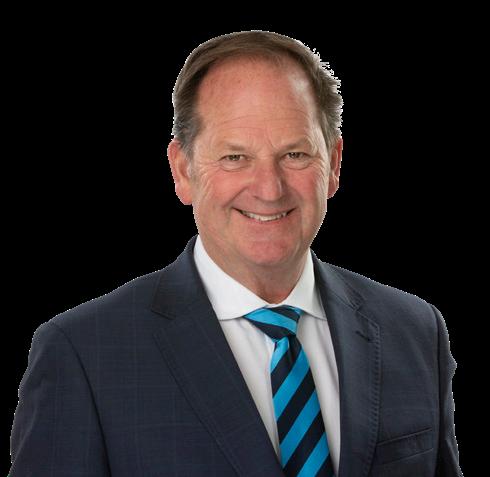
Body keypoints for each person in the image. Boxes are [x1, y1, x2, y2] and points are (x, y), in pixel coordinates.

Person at [9, 31, 462, 476]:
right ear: (183, 170)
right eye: (234, 157)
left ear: (334, 164)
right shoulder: (83, 354)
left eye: (295, 154)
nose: (269, 188)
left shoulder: (414, 331)